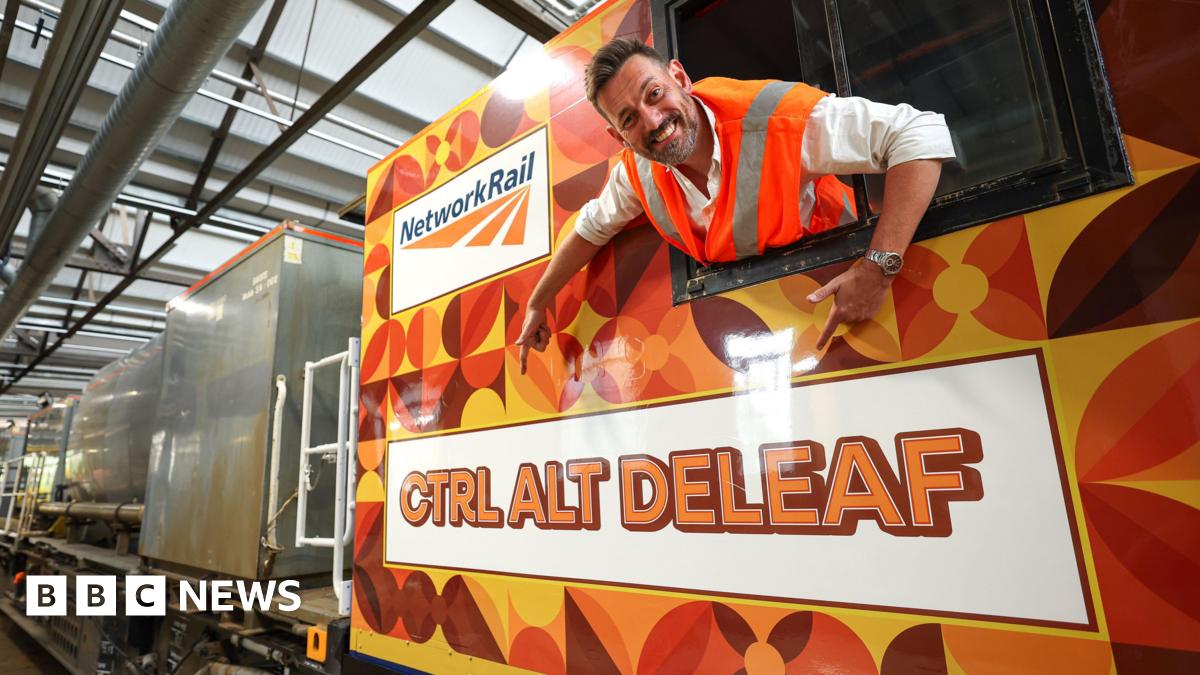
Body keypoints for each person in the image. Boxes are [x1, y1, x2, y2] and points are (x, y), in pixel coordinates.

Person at [517, 38, 955, 373]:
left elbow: (918, 133)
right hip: (780, 337)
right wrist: (539, 301)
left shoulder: (776, 118)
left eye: (654, 94)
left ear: (680, 78)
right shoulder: (636, 172)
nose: (652, 120)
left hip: (859, 302)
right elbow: (591, 229)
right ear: (619, 137)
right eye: (629, 118)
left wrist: (877, 268)